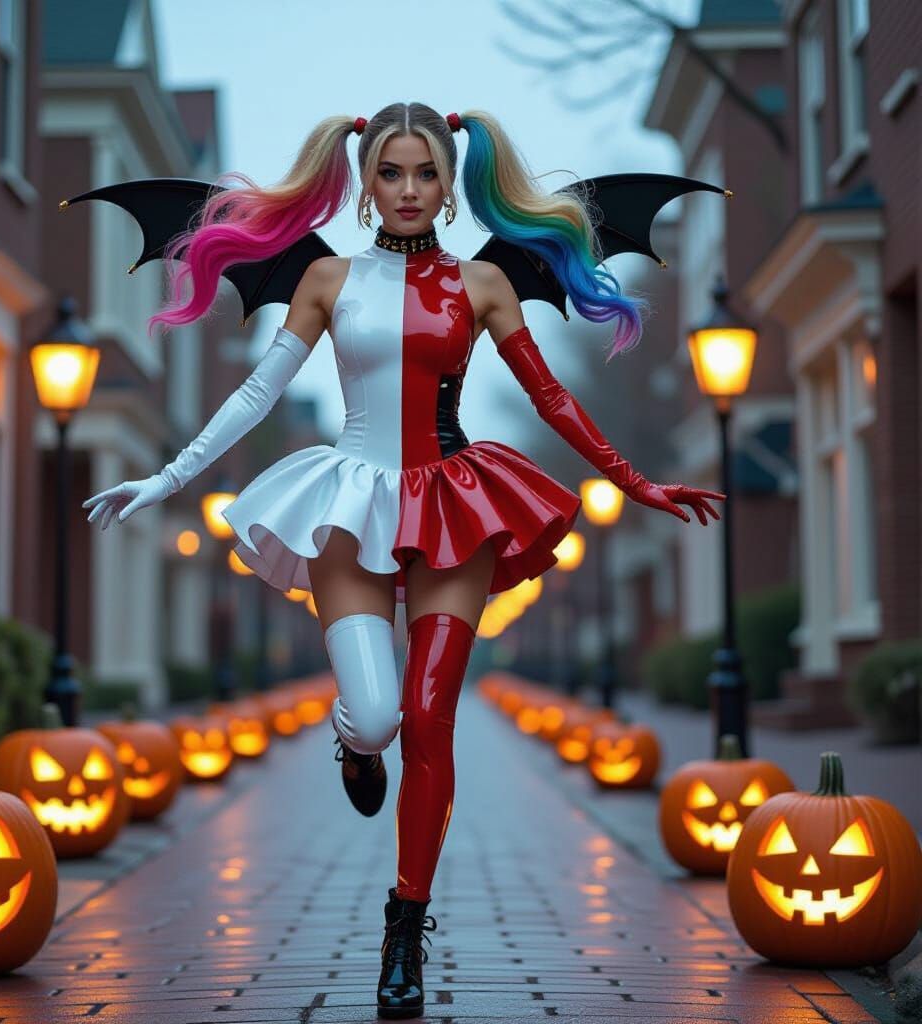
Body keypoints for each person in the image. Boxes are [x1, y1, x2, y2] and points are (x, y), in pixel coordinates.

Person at [82, 102, 724, 1019]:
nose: (410, 189)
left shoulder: (484, 282)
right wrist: (166, 477)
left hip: (452, 505)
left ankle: (405, 925)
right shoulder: (328, 279)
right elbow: (259, 390)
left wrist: (639, 482)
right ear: (366, 181)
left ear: (451, 185)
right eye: (392, 173)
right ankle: (354, 742)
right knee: (379, 717)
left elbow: (551, 399)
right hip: (350, 506)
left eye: (427, 173)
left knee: (429, 724)